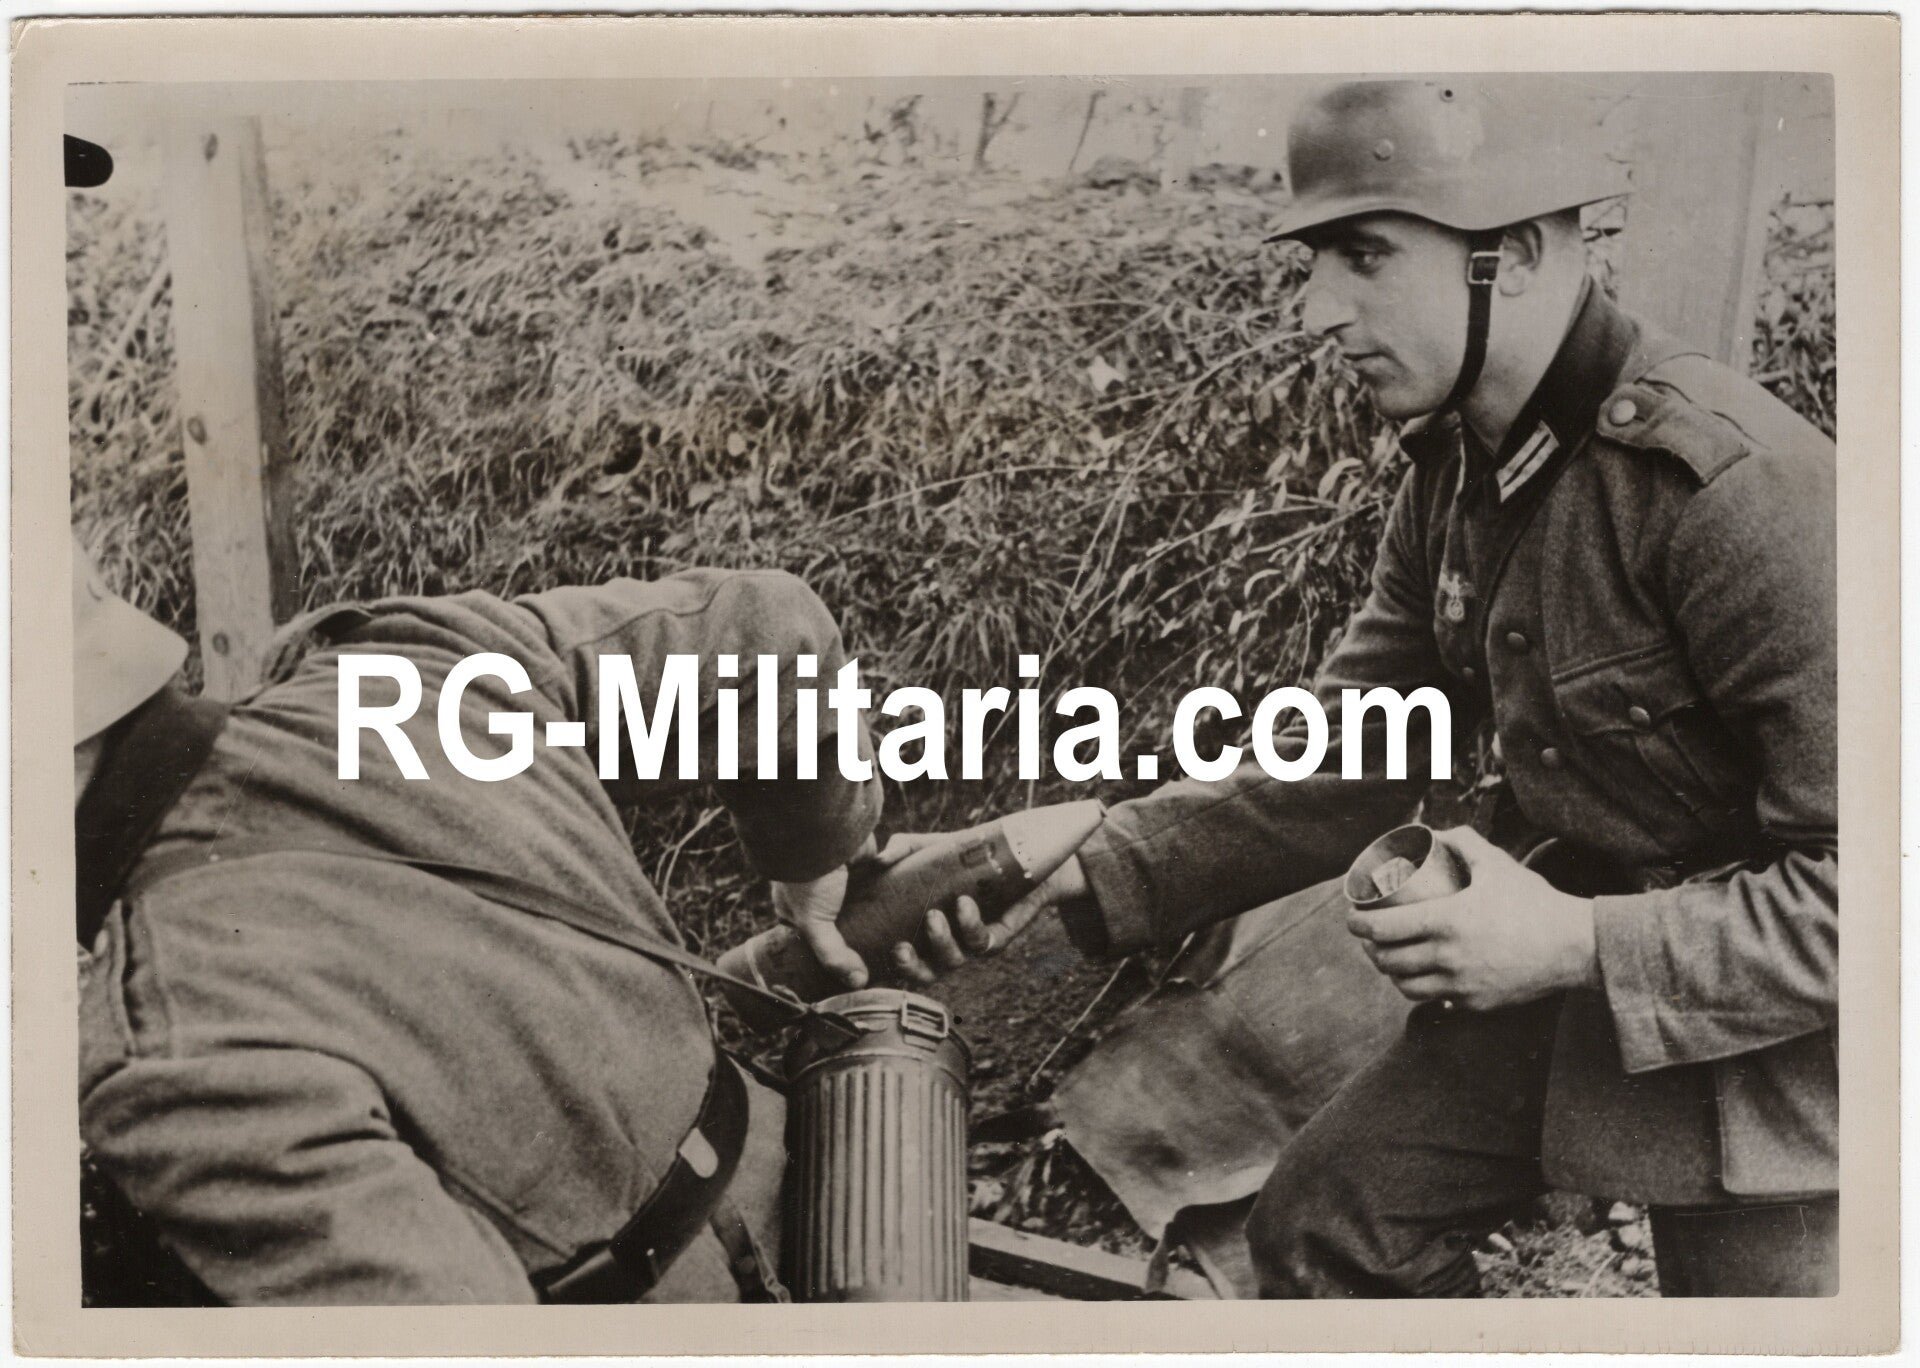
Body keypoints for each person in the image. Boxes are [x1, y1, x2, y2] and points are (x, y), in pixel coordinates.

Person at [961, 78, 1837, 1297]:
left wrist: (1580, 942)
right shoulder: (1461, 471)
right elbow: (1356, 751)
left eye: (1365, 255)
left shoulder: (1736, 497)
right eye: (1318, 260)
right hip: (1573, 979)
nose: (1317, 309)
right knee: (1326, 1228)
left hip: (1798, 1053)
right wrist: (1086, 862)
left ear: (1518, 255)